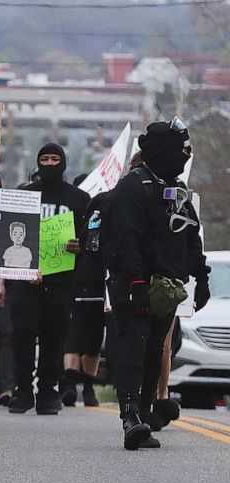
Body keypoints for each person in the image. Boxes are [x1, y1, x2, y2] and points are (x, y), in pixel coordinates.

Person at [103, 118, 208, 450]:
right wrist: (135, 282)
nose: (186, 154)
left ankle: (145, 413)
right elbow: (124, 240)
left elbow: (191, 236)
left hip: (166, 286)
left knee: (154, 351)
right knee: (131, 347)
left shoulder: (177, 191)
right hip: (132, 282)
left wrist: (201, 279)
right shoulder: (131, 188)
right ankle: (129, 416)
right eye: (182, 148)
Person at [2, 143, 90, 416]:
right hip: (25, 280)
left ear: (63, 162)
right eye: (44, 159)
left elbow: (90, 238)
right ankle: (24, 390)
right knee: (23, 334)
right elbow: (7, 234)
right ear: (38, 163)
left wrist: (80, 246)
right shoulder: (23, 196)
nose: (50, 163)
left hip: (61, 281)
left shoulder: (79, 199)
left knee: (55, 336)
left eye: (55, 158)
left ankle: (48, 390)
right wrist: (9, 279)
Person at [60, 184, 104, 408]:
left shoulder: (110, 222)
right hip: (75, 284)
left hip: (99, 287)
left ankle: (88, 386)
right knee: (73, 335)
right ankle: (69, 383)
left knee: (94, 340)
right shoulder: (73, 222)